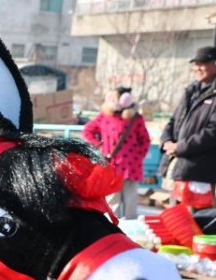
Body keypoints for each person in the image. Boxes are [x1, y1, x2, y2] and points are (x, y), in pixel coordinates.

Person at [160, 45, 216, 210]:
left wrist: (181, 147)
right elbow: (173, 121)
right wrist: (166, 141)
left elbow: (213, 132)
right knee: (176, 220)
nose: (197, 68)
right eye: (195, 64)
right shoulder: (191, 91)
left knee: (197, 224)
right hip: (180, 167)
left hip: (201, 171)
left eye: (202, 63)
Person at [81, 87, 150, 219]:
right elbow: (87, 131)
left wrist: (138, 155)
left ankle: (130, 228)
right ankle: (115, 226)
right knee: (113, 199)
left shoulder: (135, 117)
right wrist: (100, 145)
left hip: (131, 165)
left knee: (130, 198)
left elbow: (144, 140)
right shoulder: (104, 115)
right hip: (112, 163)